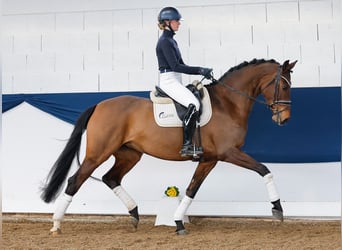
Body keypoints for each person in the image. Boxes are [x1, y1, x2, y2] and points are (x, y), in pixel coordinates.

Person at [156, 6, 212, 157]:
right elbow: (175, 66)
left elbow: (183, 65)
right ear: (167, 22)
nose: (179, 23)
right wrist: (200, 70)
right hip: (169, 81)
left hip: (175, 80)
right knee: (193, 104)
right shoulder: (165, 42)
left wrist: (202, 71)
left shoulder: (171, 41)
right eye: (176, 21)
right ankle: (187, 145)